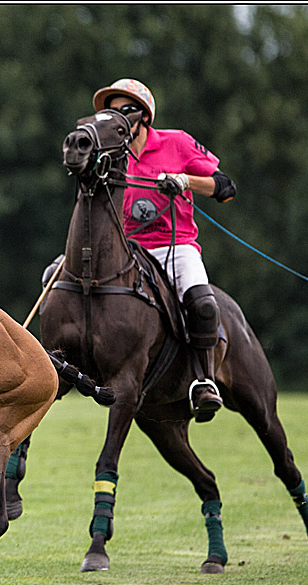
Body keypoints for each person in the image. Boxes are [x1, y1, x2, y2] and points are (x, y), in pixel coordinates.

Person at [92, 78, 237, 422]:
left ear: (142, 116)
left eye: (122, 112)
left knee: (203, 304)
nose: (116, 120)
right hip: (126, 252)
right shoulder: (110, 156)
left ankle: (203, 382)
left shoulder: (177, 142)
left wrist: (184, 180)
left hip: (176, 246)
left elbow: (225, 187)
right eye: (110, 114)